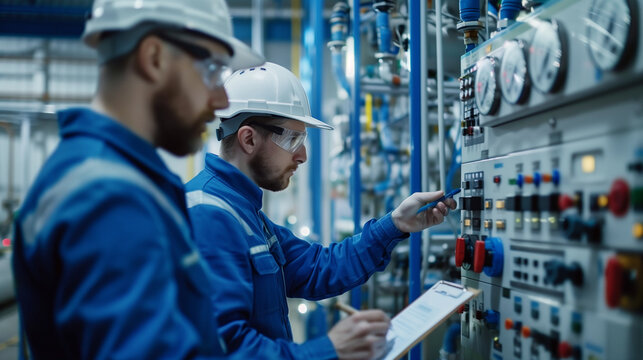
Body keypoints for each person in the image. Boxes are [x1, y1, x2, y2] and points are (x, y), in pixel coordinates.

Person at [11, 0, 265, 358]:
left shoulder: (114, 178)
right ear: (154, 57)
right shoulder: (106, 198)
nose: (221, 100)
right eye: (212, 71)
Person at [185, 62, 457, 359]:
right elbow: (224, 349)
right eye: (292, 139)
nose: (302, 155)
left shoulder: (244, 211)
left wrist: (394, 225)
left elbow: (316, 268)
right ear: (248, 139)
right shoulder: (209, 216)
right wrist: (328, 349)